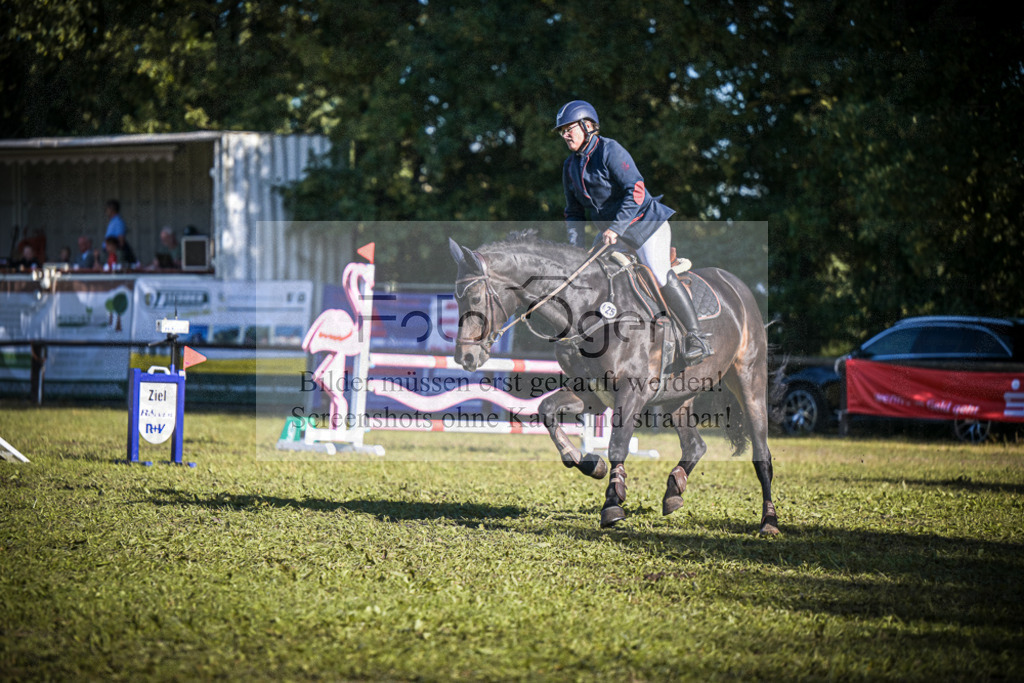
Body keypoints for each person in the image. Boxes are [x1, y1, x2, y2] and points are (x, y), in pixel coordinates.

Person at [554, 100, 712, 364]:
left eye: (569, 128)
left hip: (645, 225)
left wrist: (617, 227)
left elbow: (636, 190)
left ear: (588, 126)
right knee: (587, 277)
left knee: (659, 272)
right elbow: (573, 213)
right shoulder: (570, 166)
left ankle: (695, 337)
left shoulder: (609, 150)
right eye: (563, 131)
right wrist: (574, 249)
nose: (565, 135)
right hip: (612, 234)